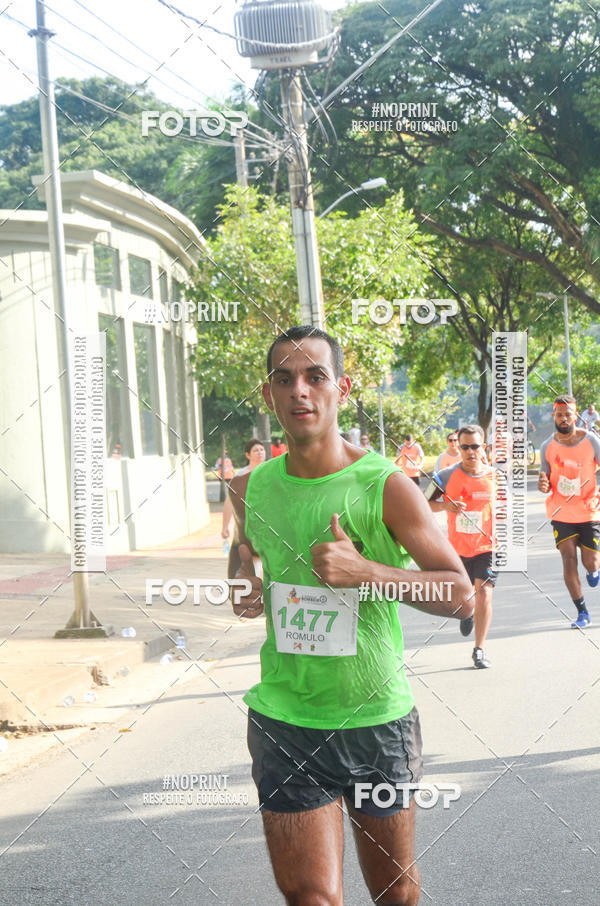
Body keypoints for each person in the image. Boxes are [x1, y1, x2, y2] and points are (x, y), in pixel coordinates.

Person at [227, 325, 472, 906]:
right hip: (284, 719)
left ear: (342, 387)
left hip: (374, 723)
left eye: (315, 376)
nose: (300, 392)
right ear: (268, 395)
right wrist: (245, 584)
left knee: (393, 892)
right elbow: (242, 559)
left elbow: (460, 594)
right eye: (284, 380)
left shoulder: (385, 485)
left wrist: (368, 574)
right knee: (311, 897)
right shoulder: (246, 489)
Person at [427, 425, 498, 669]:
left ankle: (479, 649)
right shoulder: (445, 476)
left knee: (485, 593)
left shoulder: (496, 477)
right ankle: (467, 613)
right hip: (457, 550)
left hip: (488, 547)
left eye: (475, 446)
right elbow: (423, 503)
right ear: (459, 447)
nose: (469, 451)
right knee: (465, 599)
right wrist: (445, 507)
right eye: (464, 446)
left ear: (483, 448)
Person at [538, 396, 600, 628]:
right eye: (559, 414)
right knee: (568, 559)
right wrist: (543, 484)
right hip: (561, 513)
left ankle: (594, 571)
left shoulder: (591, 441)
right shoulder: (547, 446)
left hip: (589, 511)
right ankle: (582, 612)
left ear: (576, 416)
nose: (564, 418)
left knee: (591, 562)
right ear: (554, 416)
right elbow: (544, 481)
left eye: (568, 414)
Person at [222, 439, 266, 577]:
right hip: (245, 529)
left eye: (262, 450)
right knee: (241, 567)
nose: (259, 453)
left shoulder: (271, 472)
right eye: (255, 450)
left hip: (266, 528)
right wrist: (225, 526)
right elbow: (229, 502)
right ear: (248, 455)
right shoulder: (240, 477)